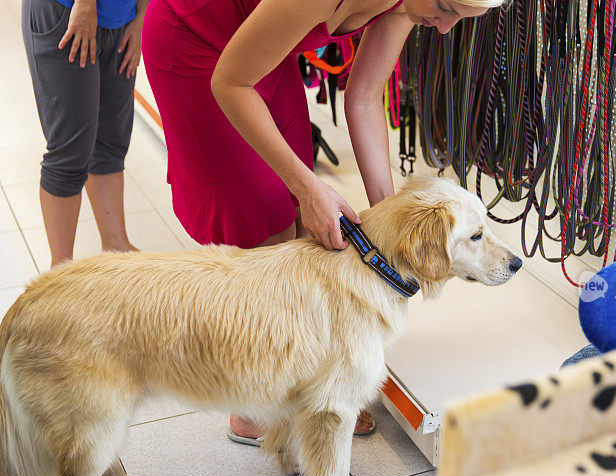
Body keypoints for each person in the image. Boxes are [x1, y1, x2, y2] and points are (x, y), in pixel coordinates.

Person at [141, 0, 501, 442]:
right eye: (446, 7)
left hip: (267, 50)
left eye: (461, 18)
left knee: (298, 223)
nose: (444, 28)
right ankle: (255, 402)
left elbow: (365, 96)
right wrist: (309, 188)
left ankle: (303, 379)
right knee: (264, 222)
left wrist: (391, 230)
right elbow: (232, 81)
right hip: (198, 45)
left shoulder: (413, 3)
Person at [22, 0, 147, 268]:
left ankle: (116, 248)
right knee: (70, 150)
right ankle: (60, 274)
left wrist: (141, 15)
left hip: (122, 16)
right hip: (67, 11)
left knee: (111, 141)